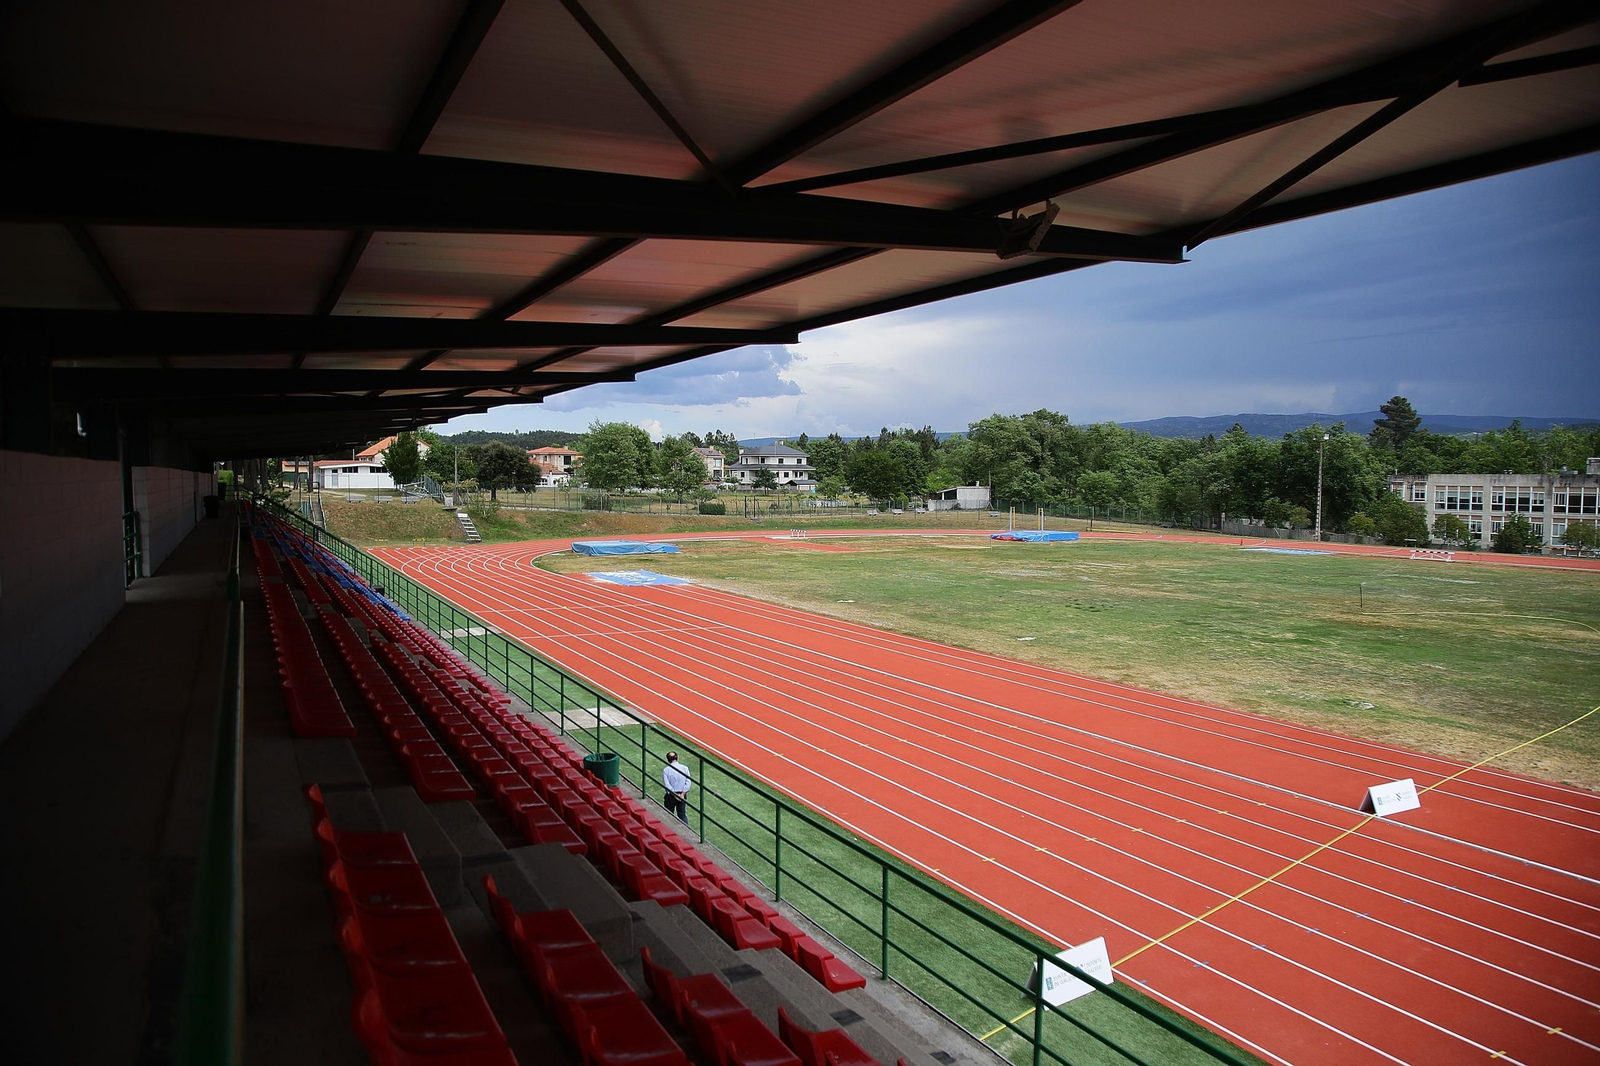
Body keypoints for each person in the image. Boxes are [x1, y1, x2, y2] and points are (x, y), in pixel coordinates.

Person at [661, 751, 692, 823]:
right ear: (677, 758)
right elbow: (688, 782)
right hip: (682, 796)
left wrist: (675, 795)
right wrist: (682, 794)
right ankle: (686, 831)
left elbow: (667, 785)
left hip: (671, 796)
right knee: (682, 815)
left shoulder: (666, 770)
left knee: (668, 815)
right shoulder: (685, 768)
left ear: (668, 759)